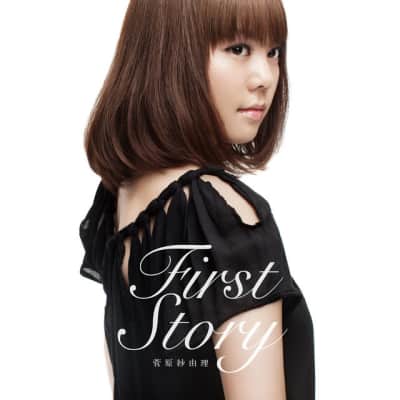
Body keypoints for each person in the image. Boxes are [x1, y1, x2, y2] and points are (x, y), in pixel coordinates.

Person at [79, 0, 315, 399]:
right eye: (238, 49)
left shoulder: (120, 199)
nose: (265, 77)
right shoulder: (223, 217)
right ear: (170, 53)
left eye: (273, 51)